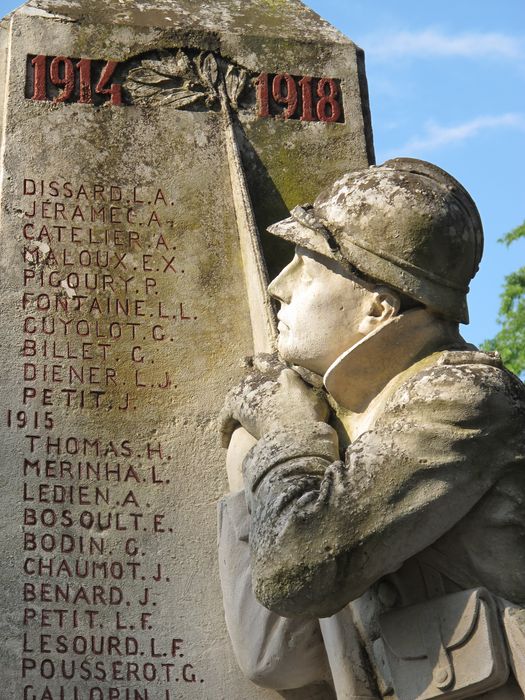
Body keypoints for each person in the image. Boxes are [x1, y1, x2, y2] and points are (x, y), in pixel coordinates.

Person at [218, 158, 525, 700]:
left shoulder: (462, 399)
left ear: (378, 308)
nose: (278, 285)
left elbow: (294, 569)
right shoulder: (343, 416)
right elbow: (277, 660)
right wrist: (254, 450)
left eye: (306, 266)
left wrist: (287, 435)